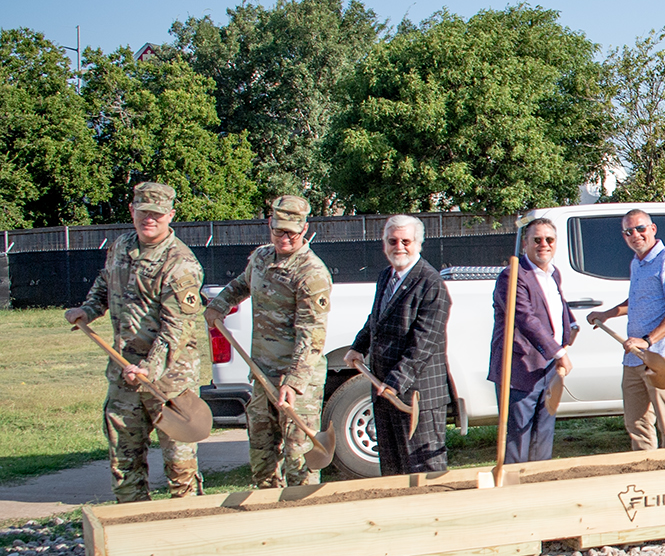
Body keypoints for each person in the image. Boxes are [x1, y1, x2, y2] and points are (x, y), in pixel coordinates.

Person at [64, 181, 205, 502]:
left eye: (157, 213)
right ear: (132, 211)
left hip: (169, 383)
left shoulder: (180, 264)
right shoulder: (121, 246)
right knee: (125, 465)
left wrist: (148, 369)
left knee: (180, 470)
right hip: (124, 376)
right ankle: (134, 532)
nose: (149, 219)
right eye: (143, 212)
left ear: (170, 215)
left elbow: (176, 330)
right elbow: (105, 281)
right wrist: (87, 310)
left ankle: (188, 536)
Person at [208, 194, 333, 487]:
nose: (284, 238)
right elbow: (242, 284)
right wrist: (220, 305)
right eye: (279, 230)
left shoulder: (311, 274)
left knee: (299, 460)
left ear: (304, 229)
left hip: (297, 383)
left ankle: (303, 522)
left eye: (291, 231)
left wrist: (293, 382)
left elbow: (312, 334)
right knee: (262, 458)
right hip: (263, 375)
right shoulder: (262, 258)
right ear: (269, 225)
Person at [346, 215, 451, 476]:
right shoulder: (386, 277)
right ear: (384, 244)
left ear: (418, 243)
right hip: (384, 389)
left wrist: (395, 381)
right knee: (392, 469)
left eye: (406, 241)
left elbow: (424, 342)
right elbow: (376, 318)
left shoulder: (431, 283)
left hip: (417, 395)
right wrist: (359, 346)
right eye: (393, 241)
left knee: (423, 470)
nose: (399, 246)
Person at [586, 209, 665, 451]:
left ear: (653, 229)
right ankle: (645, 474)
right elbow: (638, 300)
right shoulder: (638, 263)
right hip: (634, 357)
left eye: (641, 228)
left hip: (660, 355)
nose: (636, 235)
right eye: (628, 231)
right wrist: (607, 314)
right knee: (637, 423)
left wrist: (647, 340)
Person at [490, 216, 578, 464]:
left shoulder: (553, 274)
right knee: (520, 435)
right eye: (536, 240)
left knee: (544, 432)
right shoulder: (513, 276)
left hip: (548, 368)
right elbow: (525, 318)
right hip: (521, 367)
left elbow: (555, 306)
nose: (544, 244)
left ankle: (540, 486)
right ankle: (514, 493)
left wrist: (570, 325)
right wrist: (559, 353)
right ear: (525, 245)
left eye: (549, 239)